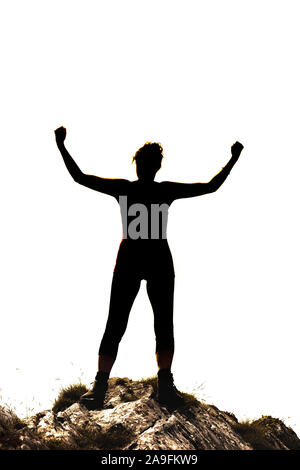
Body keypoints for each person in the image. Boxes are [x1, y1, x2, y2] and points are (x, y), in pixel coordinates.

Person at [54, 126, 244, 410]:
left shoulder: (125, 189)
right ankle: (162, 385)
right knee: (161, 325)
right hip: (157, 264)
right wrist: (234, 158)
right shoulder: (164, 190)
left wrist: (61, 145)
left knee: (117, 324)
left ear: (138, 165)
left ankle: (100, 386)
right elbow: (211, 186)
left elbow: (79, 177)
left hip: (131, 262)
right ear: (157, 167)